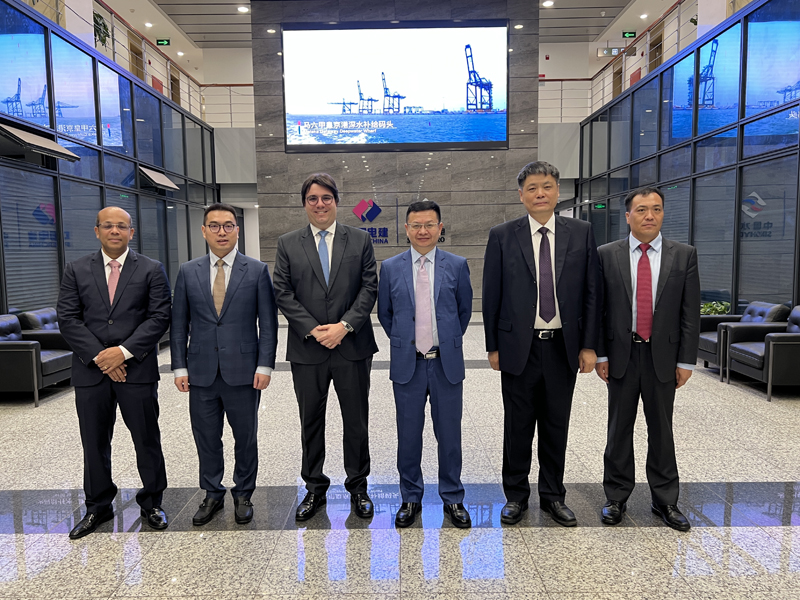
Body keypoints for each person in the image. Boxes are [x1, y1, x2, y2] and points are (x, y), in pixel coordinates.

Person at [482, 161, 601, 527]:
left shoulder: (581, 233)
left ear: (557, 191)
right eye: (532, 188)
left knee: (555, 424)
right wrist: (492, 346)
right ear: (521, 195)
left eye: (546, 186)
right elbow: (491, 294)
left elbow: (592, 292)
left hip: (563, 346)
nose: (540, 194)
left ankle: (553, 496)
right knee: (517, 426)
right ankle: (516, 496)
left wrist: (589, 345)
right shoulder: (503, 235)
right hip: (519, 347)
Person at [57, 206, 171, 539]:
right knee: (94, 442)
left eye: (122, 226)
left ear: (131, 232)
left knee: (146, 439)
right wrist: (100, 357)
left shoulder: (151, 269)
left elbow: (159, 317)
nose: (115, 231)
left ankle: (152, 502)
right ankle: (98, 506)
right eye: (108, 226)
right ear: (97, 231)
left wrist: (121, 353)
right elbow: (68, 318)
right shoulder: (76, 269)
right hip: (90, 374)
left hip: (136, 370)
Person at [273, 173, 378, 521]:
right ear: (305, 204)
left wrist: (344, 326)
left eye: (326, 198)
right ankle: (314, 488)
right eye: (313, 199)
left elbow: (369, 288)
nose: (320, 204)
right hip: (308, 349)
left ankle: (358, 487)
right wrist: (314, 330)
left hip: (352, 347)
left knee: (356, 421)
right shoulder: (288, 243)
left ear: (336, 201)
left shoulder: (360, 240)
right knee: (310, 421)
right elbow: (282, 292)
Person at [595, 187, 700, 531]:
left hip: (663, 357)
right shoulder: (606, 255)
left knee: (662, 430)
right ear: (628, 216)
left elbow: (690, 313)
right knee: (618, 429)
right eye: (641, 210)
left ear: (663, 213)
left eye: (656, 209)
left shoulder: (683, 255)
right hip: (621, 356)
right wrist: (601, 353)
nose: (649, 215)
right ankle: (616, 497)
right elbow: (598, 310)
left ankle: (665, 500)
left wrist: (686, 361)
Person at [171, 203, 278, 526]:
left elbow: (268, 324)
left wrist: (265, 366)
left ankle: (243, 493)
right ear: (204, 231)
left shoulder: (256, 270)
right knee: (206, 437)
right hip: (201, 371)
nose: (222, 232)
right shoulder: (188, 271)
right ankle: (212, 493)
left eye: (228, 225)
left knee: (245, 437)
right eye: (215, 226)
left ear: (237, 231)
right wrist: (179, 367)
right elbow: (179, 324)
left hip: (244, 372)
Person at [378, 200, 473, 528]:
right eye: (416, 225)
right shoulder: (390, 267)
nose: (423, 231)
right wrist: (407, 342)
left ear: (440, 227)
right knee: (408, 435)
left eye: (429, 224)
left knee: (449, 435)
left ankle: (453, 497)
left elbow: (463, 312)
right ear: (406, 229)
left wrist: (444, 341)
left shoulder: (457, 265)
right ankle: (410, 497)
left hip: (446, 364)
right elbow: (386, 314)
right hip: (409, 365)